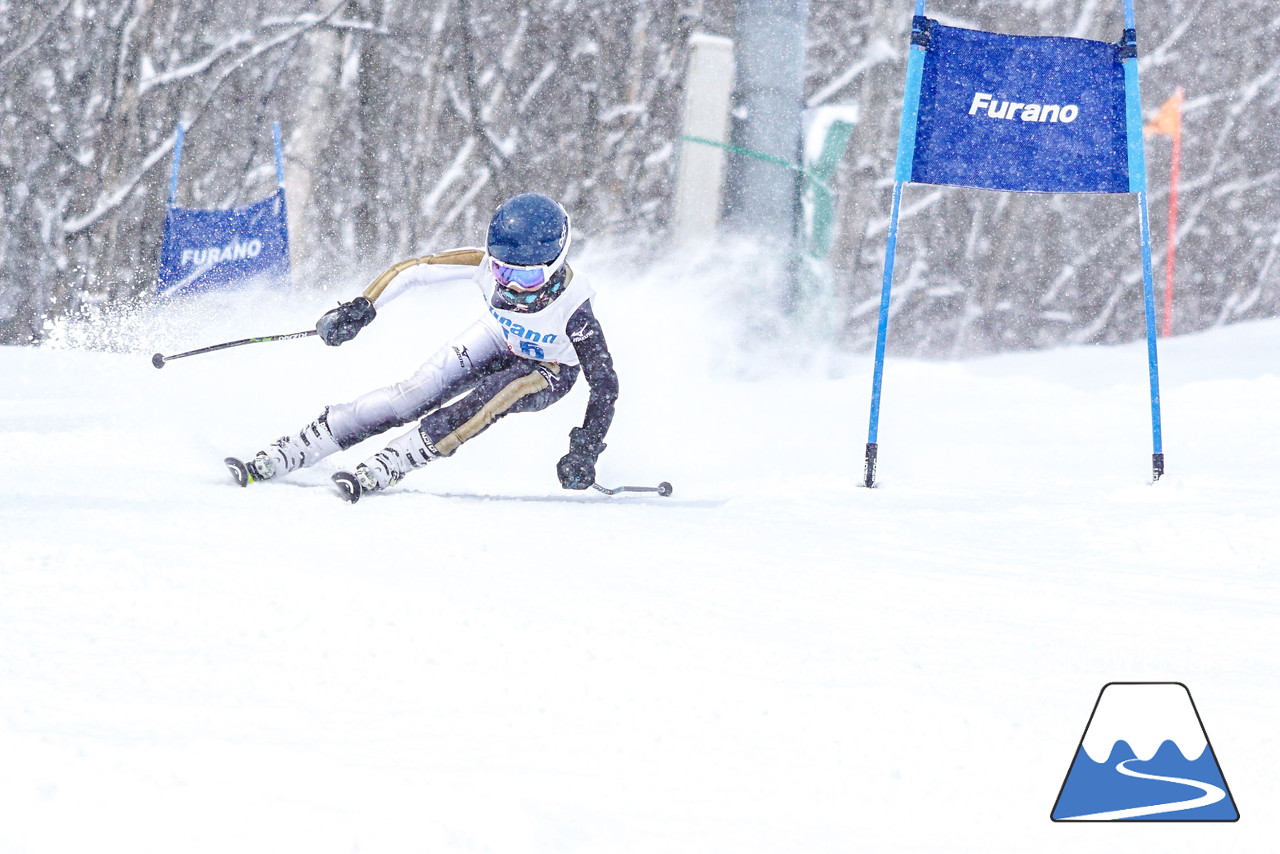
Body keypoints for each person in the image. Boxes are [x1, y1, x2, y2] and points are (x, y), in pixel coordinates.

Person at [225, 193, 618, 502]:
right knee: (413, 394)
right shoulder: (481, 264)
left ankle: (399, 458)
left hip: (547, 368)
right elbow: (415, 270)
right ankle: (302, 445)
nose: (511, 286)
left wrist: (586, 447)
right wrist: (362, 308)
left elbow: (604, 384)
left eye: (528, 276)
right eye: (502, 270)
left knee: (493, 396)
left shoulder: (575, 309)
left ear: (554, 264)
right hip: (500, 334)